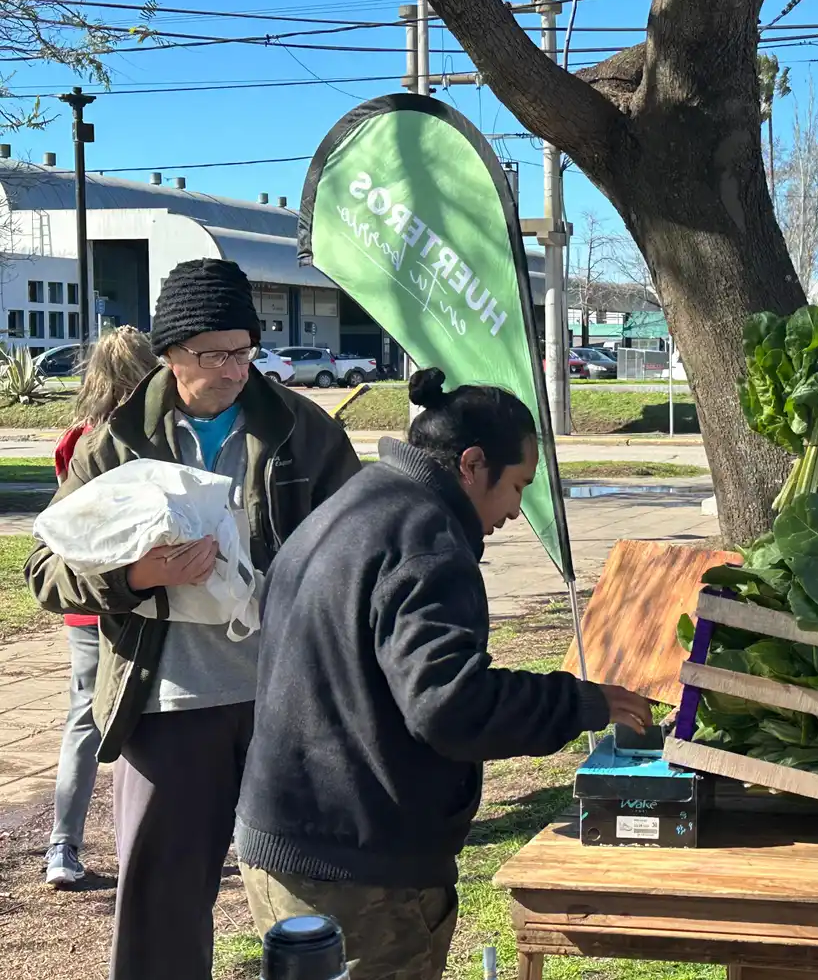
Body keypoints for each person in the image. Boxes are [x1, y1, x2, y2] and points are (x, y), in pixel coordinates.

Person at [234, 368, 652, 980]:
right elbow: (450, 706)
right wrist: (582, 703)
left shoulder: (358, 502)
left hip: (303, 836)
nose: (515, 510)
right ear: (472, 465)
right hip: (353, 865)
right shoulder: (426, 538)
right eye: (516, 487)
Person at [25, 259, 362, 980]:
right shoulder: (115, 442)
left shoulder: (303, 431)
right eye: (215, 354)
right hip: (170, 705)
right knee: (162, 913)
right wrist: (137, 575)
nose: (236, 369)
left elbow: (362, 543)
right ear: (172, 353)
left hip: (287, 704)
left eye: (245, 350)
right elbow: (45, 570)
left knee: (317, 900)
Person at [42, 325, 157, 889]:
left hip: (85, 603)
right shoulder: (149, 440)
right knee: (155, 719)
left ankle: (63, 846)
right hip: (143, 596)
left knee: (85, 719)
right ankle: (151, 840)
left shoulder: (75, 440)